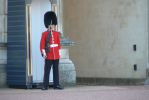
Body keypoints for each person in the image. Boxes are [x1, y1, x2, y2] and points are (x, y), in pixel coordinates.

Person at [40, 11, 63, 90]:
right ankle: (45, 85)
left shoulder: (56, 34)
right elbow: (42, 45)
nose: (51, 26)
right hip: (49, 55)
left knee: (56, 70)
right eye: (50, 24)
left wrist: (59, 53)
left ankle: (56, 85)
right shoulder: (44, 34)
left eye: (53, 24)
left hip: (56, 55)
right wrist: (44, 53)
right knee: (47, 71)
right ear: (47, 25)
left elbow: (58, 44)